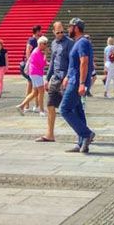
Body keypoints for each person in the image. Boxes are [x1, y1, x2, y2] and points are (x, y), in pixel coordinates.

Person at [60, 18, 96, 154]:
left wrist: (81, 83)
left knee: (64, 109)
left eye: (69, 27)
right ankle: (82, 143)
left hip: (77, 83)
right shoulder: (78, 42)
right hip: (73, 80)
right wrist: (68, 76)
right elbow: (74, 64)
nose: (67, 29)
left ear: (76, 28)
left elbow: (84, 62)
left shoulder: (83, 42)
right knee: (77, 111)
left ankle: (87, 134)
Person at [40, 20, 73, 143]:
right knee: (50, 105)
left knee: (72, 107)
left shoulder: (70, 43)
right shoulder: (53, 43)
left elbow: (72, 62)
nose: (60, 34)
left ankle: (83, 132)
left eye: (62, 31)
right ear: (53, 32)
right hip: (55, 78)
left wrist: (68, 77)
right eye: (57, 32)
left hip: (66, 78)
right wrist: (47, 79)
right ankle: (50, 134)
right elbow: (52, 63)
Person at [17, 36, 49, 115]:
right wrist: (46, 54)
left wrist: (47, 60)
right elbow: (42, 64)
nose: (46, 46)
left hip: (34, 73)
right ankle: (41, 110)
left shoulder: (36, 50)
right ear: (40, 44)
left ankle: (21, 106)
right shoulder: (37, 52)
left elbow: (43, 63)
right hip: (36, 73)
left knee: (35, 92)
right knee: (41, 91)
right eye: (45, 44)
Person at [21, 25, 42, 98]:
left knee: (33, 84)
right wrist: (30, 63)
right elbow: (28, 51)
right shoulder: (32, 40)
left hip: (35, 64)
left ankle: (33, 104)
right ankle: (26, 104)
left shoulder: (37, 40)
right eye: (40, 31)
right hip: (32, 65)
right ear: (37, 32)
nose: (41, 32)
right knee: (30, 83)